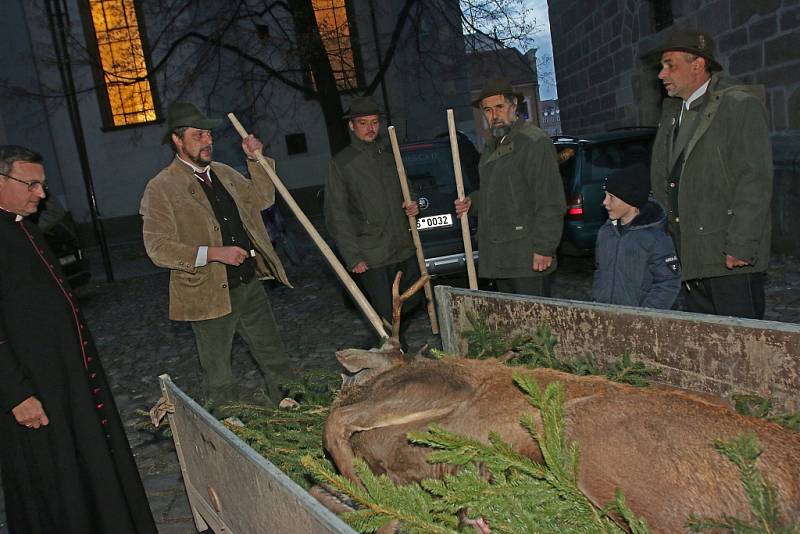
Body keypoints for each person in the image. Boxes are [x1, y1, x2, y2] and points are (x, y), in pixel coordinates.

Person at [0, 145, 156, 533]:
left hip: (64, 381)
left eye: (42, 185)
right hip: (32, 390)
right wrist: (15, 393)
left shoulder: (21, 226)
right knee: (54, 484)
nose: (41, 194)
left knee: (85, 469)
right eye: (31, 184)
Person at [140, 102, 293, 411]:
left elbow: (263, 198)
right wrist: (212, 253)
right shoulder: (161, 188)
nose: (207, 141)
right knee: (218, 371)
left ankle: (291, 400)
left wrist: (256, 160)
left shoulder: (223, 173)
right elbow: (158, 247)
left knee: (273, 353)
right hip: (206, 293)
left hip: (248, 281)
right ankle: (229, 422)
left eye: (208, 134)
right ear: (177, 140)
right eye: (198, 135)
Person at [645, 29, 773, 319]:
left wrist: (741, 245)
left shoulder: (738, 107)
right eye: (661, 67)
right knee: (707, 346)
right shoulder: (673, 114)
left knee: (739, 345)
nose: (662, 74)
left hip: (729, 258)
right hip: (692, 255)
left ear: (698, 64)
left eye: (670, 65)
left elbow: (754, 181)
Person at [454, 78, 566, 296]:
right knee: (513, 326)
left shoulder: (534, 143)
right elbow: (498, 192)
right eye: (487, 110)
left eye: (499, 107)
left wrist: (544, 248)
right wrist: (473, 202)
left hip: (527, 258)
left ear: (513, 105)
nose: (494, 116)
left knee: (535, 326)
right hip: (502, 256)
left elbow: (550, 201)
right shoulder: (492, 147)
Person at [324, 96, 420, 333]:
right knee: (385, 317)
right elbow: (337, 214)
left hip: (401, 247)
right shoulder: (343, 163)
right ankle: (393, 355)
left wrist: (412, 205)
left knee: (413, 300)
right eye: (363, 123)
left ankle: (395, 345)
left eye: (374, 122)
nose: (370, 128)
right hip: (371, 253)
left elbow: (407, 190)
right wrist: (353, 256)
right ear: (352, 125)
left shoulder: (389, 156)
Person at [591, 163, 681, 309]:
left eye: (611, 197)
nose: (605, 202)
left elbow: (668, 283)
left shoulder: (656, 237)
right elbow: (600, 273)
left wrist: (645, 316)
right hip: (606, 316)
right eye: (605, 195)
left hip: (638, 321)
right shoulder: (605, 232)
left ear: (630, 200)